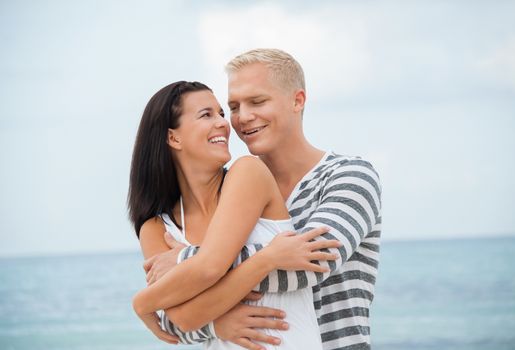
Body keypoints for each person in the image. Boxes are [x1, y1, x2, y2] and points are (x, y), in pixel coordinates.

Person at [145, 49, 382, 350]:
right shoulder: (227, 189)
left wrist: (187, 262)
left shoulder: (349, 176)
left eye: (257, 102)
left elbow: (309, 265)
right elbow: (173, 320)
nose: (242, 117)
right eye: (233, 106)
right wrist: (216, 324)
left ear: (297, 100)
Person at [128, 81, 342, 349]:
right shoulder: (157, 228)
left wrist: (143, 302)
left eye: (220, 113)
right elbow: (183, 317)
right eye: (206, 115)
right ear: (173, 138)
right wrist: (267, 258)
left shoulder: (247, 173)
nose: (223, 123)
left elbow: (210, 266)